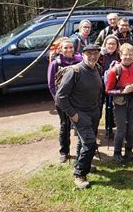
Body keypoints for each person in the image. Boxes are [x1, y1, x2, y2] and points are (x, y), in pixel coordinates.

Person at [56, 44, 103, 189]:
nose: (92, 56)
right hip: (79, 114)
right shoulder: (74, 71)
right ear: (82, 55)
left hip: (93, 112)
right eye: (89, 54)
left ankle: (83, 164)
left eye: (95, 53)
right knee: (89, 143)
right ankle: (79, 174)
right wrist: (73, 114)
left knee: (84, 142)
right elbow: (60, 97)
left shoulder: (97, 68)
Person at [105, 43, 133, 163]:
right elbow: (108, 90)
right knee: (121, 129)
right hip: (120, 102)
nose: (128, 57)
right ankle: (117, 152)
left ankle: (128, 150)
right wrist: (123, 91)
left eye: (130, 55)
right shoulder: (115, 70)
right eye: (125, 55)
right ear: (120, 55)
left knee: (132, 127)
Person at [47, 38, 83, 163]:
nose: (68, 50)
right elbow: (51, 84)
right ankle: (64, 151)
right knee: (65, 124)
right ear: (61, 49)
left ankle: (83, 150)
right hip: (62, 99)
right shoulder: (55, 63)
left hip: (77, 98)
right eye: (65, 48)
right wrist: (56, 98)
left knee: (80, 124)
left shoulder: (80, 61)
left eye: (71, 47)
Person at [98, 35, 121, 139]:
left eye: (113, 44)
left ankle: (109, 128)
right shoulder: (100, 55)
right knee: (99, 106)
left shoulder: (119, 56)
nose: (111, 46)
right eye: (109, 44)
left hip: (114, 84)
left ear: (117, 45)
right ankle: (96, 128)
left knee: (111, 107)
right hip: (101, 84)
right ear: (105, 44)